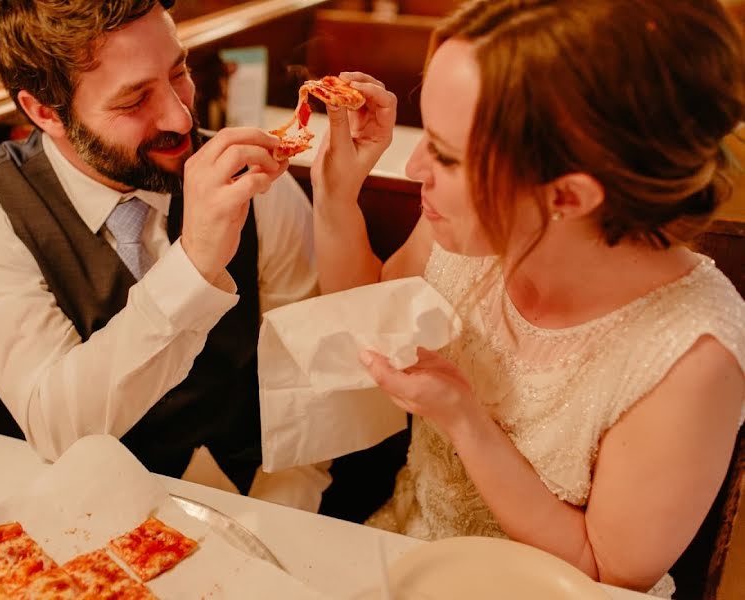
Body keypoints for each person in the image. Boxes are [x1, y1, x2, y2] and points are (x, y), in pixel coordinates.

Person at [310, 0, 745, 595]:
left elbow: (606, 574)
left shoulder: (694, 356)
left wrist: (465, 419)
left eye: (446, 154)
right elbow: (369, 325)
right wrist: (337, 197)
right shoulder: (475, 227)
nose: (414, 167)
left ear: (567, 197)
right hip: (402, 560)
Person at [0, 0, 330, 511]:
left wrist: (282, 515)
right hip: (92, 518)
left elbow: (306, 374)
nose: (181, 117)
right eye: (133, 100)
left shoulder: (253, 181)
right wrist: (194, 264)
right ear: (44, 111)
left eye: (178, 71)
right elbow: (58, 429)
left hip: (260, 494)